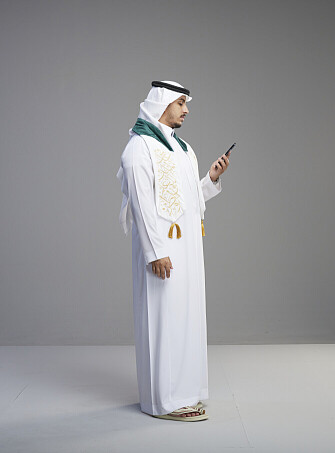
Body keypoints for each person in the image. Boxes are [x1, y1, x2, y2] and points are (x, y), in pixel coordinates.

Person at [116, 80, 230, 421]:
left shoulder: (183, 149)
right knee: (163, 320)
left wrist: (210, 179)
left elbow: (187, 201)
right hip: (162, 250)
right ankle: (163, 401)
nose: (186, 109)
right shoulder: (139, 147)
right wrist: (154, 251)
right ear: (162, 102)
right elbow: (141, 204)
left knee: (186, 318)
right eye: (181, 102)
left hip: (187, 249)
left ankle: (185, 393)